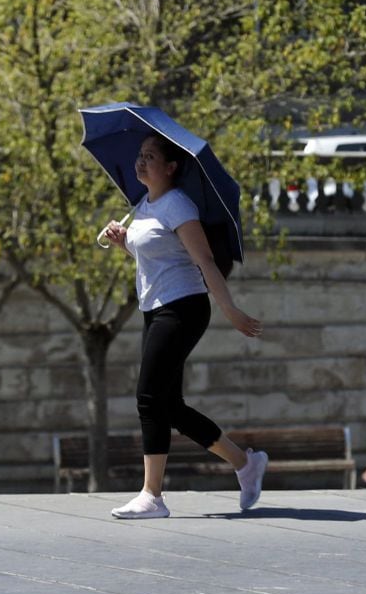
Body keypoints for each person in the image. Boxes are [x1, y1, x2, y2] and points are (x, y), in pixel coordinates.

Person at [102, 133, 266, 519]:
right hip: (156, 307)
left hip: (184, 307)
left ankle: (152, 495)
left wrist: (230, 310)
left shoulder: (178, 205)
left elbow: (205, 261)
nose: (141, 162)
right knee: (168, 405)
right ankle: (245, 463)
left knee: (148, 397)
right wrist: (124, 241)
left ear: (171, 167)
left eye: (151, 156)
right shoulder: (144, 204)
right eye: (140, 156)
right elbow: (157, 258)